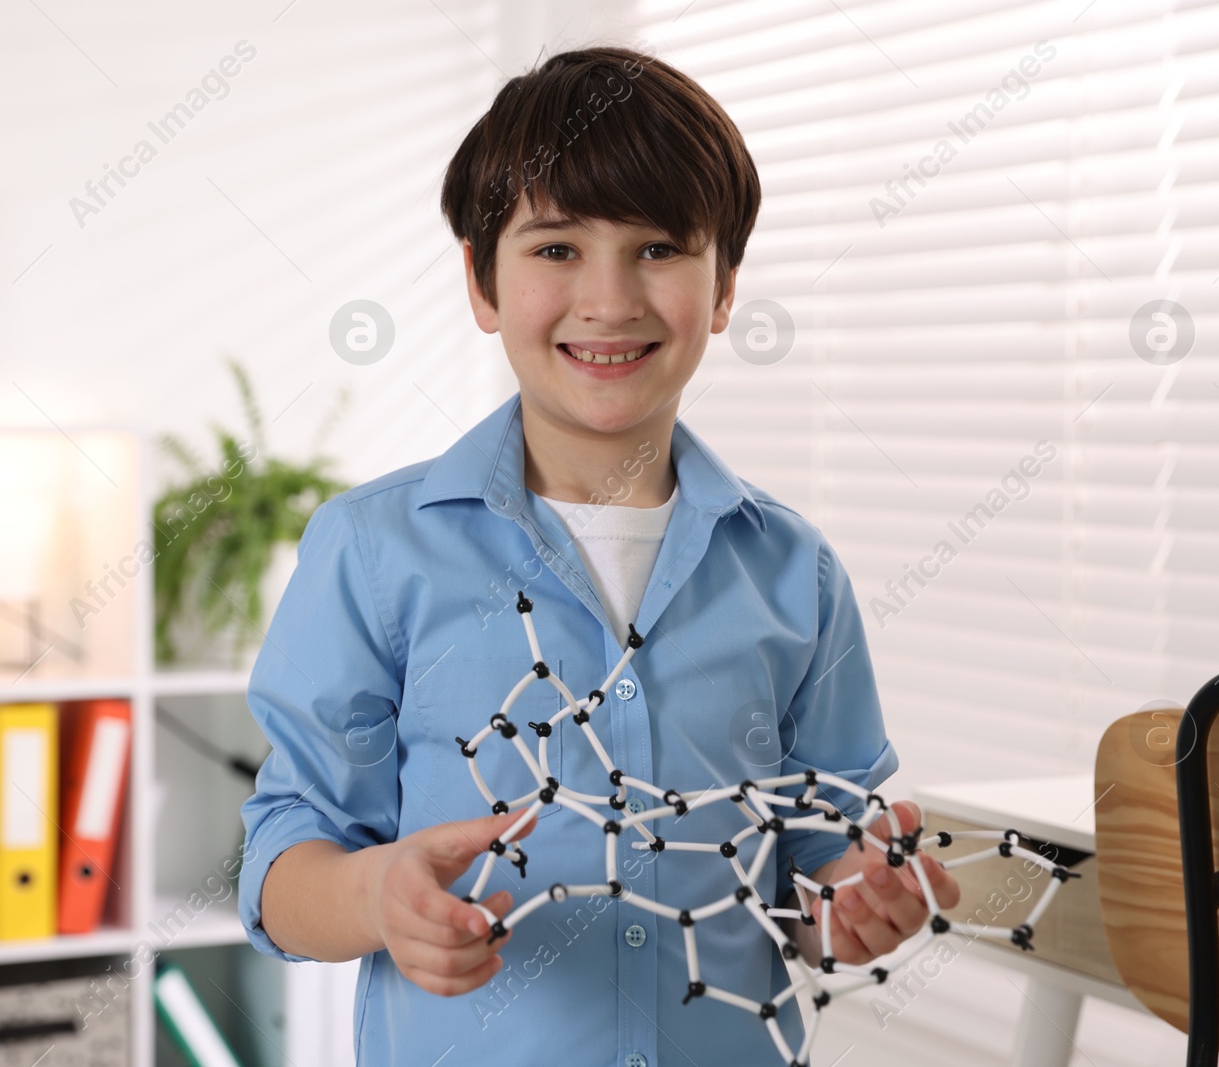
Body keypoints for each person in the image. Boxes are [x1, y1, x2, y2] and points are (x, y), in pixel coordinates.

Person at [239, 44, 959, 1066]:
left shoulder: (794, 570)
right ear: (481, 280)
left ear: (723, 288)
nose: (610, 300)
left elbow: (808, 860)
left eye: (659, 247)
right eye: (557, 248)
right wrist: (372, 893)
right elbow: (282, 855)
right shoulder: (372, 551)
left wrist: (854, 899)